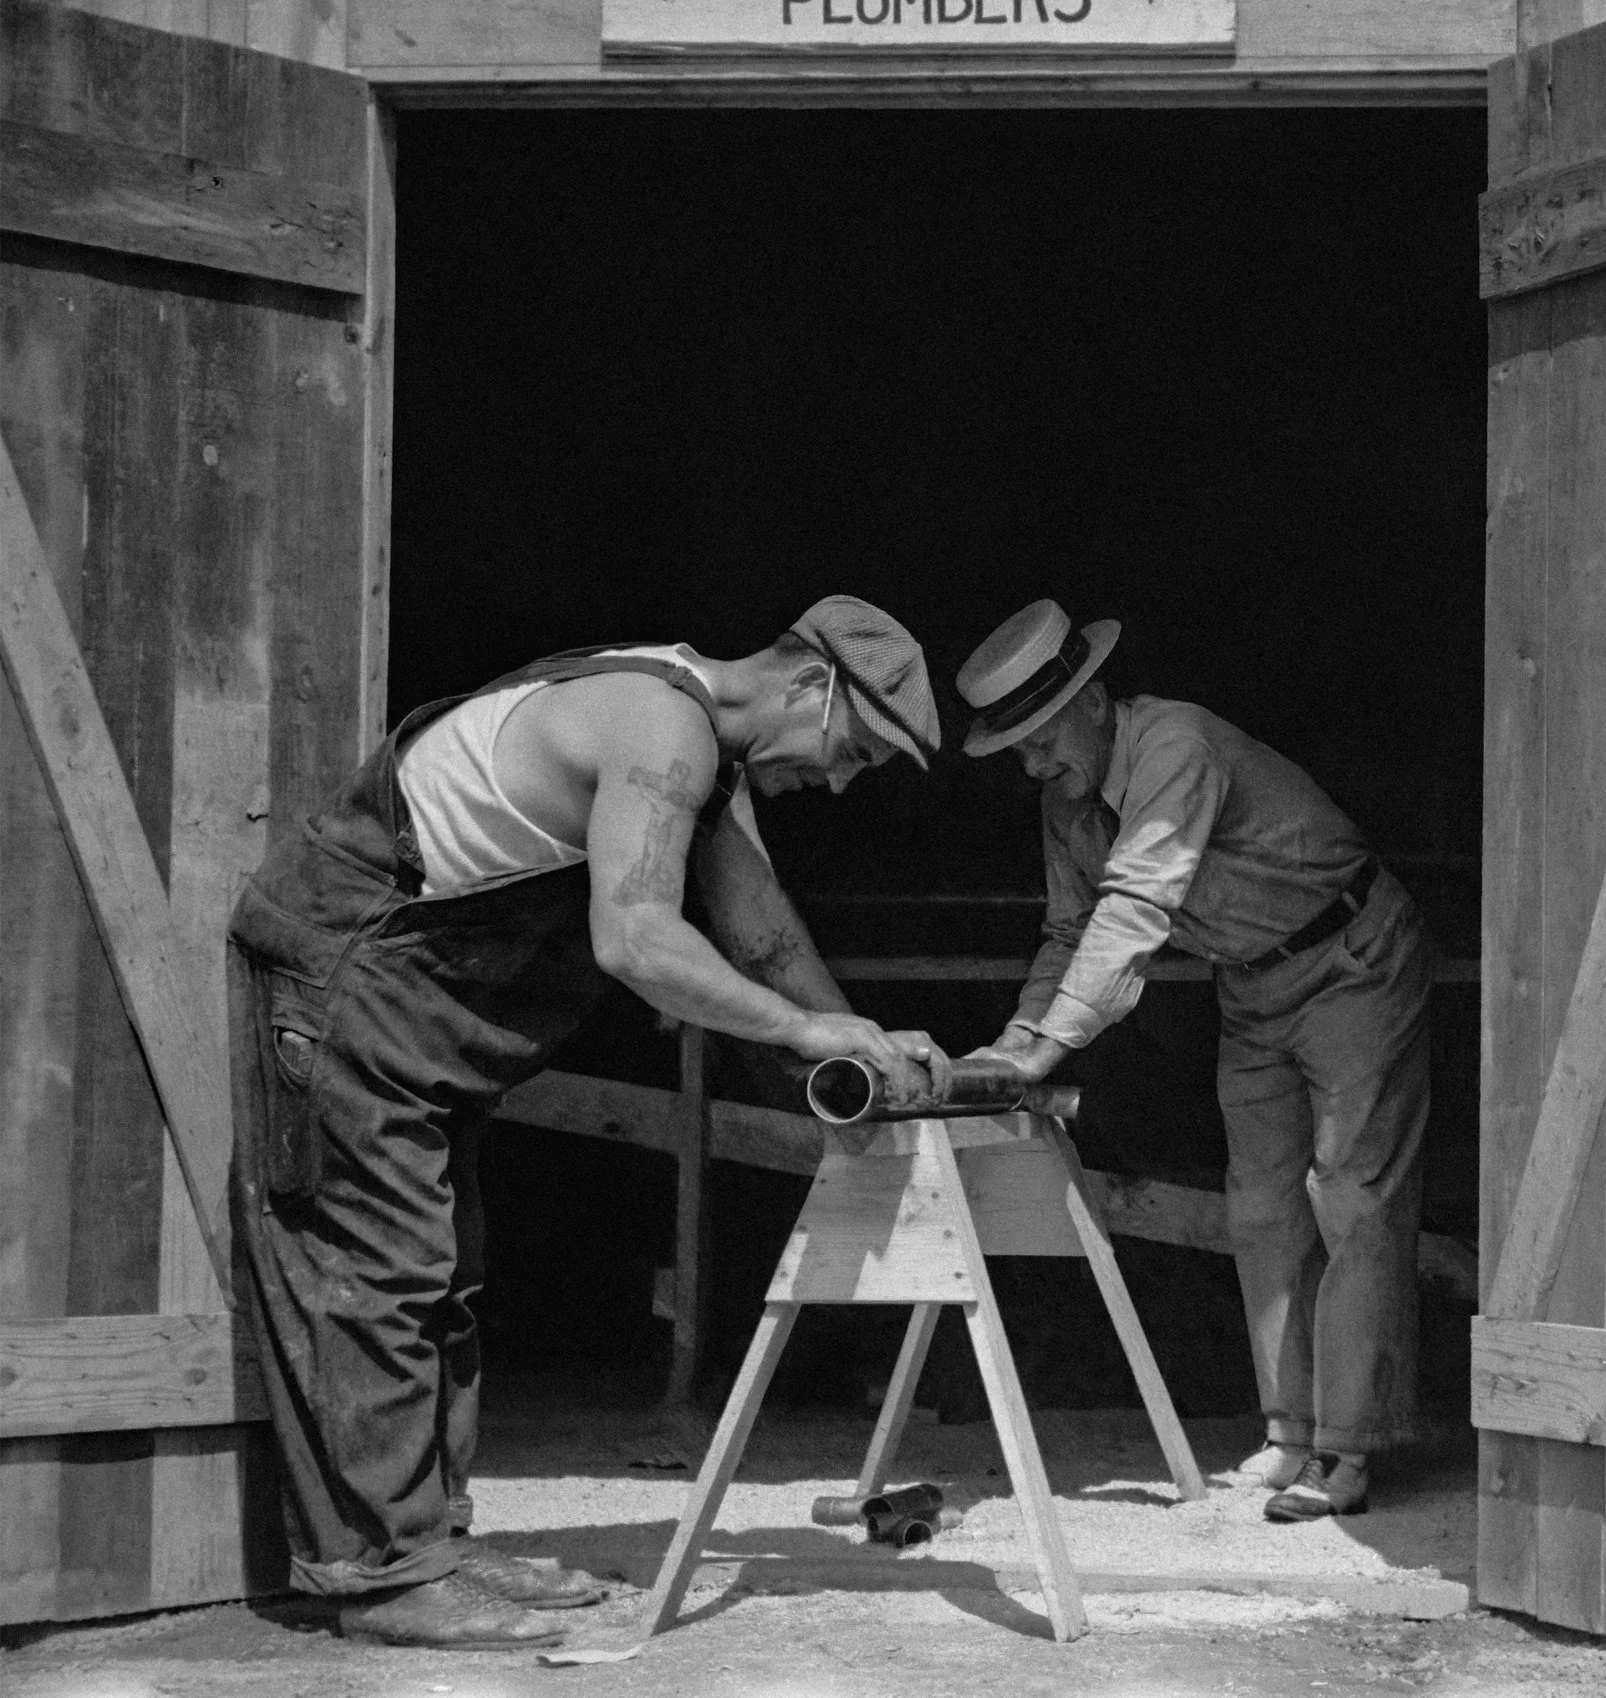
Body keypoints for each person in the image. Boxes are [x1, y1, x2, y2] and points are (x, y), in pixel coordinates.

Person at [227, 597, 951, 1649]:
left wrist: (862, 1053)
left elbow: (762, 941)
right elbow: (638, 937)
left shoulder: (704, 749)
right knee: (378, 1272)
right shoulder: (661, 726)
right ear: (809, 683)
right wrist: (800, 1033)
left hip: (406, 1007)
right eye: (855, 749)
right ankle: (384, 1578)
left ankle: (435, 1542)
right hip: (347, 975)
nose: (840, 779)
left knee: (443, 1276)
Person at [957, 599, 1432, 1523]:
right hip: (1250, 985)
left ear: (1093, 702)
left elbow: (1136, 905)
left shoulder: (1175, 743)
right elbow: (1068, 930)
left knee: (1351, 1192)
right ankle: (1289, 1433)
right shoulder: (1066, 800)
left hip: (1351, 963)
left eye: (1039, 738)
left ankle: (1350, 1448)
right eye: (1014, 747)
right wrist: (1016, 1046)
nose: (1031, 763)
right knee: (1259, 1204)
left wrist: (1050, 1046)